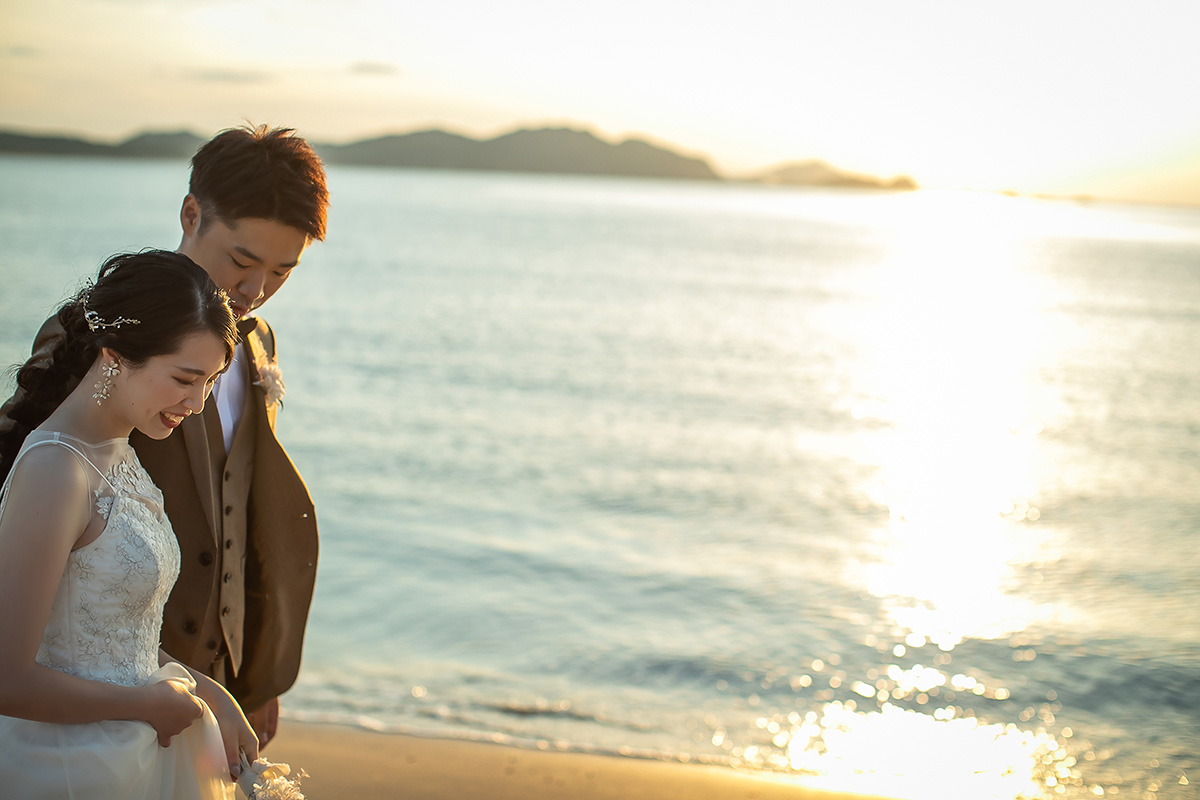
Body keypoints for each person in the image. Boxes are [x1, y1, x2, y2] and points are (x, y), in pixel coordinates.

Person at [0, 124, 329, 749]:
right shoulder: (101, 336)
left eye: (283, 271)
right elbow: (23, 491)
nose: (256, 290)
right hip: (115, 686)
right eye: (242, 260)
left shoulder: (256, 343)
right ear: (190, 213)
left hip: (219, 674)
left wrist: (252, 678)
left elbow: (243, 511)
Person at [0, 251, 253, 798]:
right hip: (69, 767)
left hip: (131, 749)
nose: (197, 402)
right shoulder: (55, 470)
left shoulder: (117, 451)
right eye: (185, 378)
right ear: (114, 358)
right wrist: (143, 704)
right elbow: (6, 679)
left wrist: (207, 690)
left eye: (209, 382)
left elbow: (106, 628)